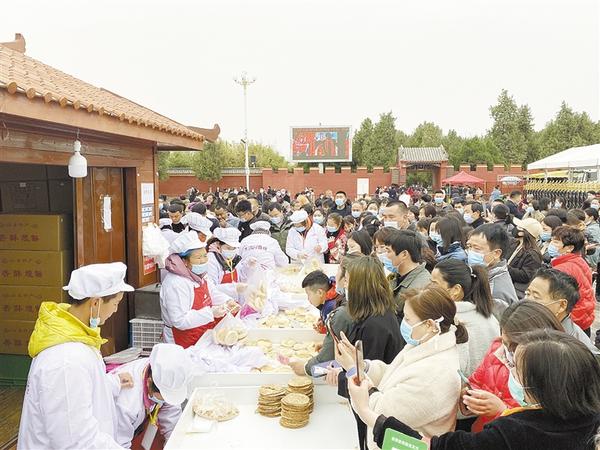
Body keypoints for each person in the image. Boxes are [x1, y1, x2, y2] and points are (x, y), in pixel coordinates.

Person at [351, 329, 600, 450]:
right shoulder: (589, 420)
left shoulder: (513, 432)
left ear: (541, 385)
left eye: (514, 368)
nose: (509, 371)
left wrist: (367, 412)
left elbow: (425, 448)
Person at [18, 262, 135, 450]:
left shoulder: (76, 337)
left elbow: (80, 392)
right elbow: (76, 440)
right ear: (95, 303)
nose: (115, 310)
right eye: (115, 304)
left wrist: (112, 383)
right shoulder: (66, 360)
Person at [336, 285, 469, 447]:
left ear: (429, 325)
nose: (403, 323)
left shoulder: (434, 374)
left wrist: (353, 370)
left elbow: (380, 413)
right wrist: (363, 366)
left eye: (407, 319)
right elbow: (393, 374)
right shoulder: (423, 343)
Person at [327, 256, 403, 450]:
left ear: (360, 287)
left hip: (377, 406)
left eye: (348, 281)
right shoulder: (375, 314)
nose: (344, 285)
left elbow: (366, 377)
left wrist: (343, 374)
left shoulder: (375, 326)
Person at [463, 301, 564, 432]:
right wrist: (469, 394)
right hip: (484, 431)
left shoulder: (552, 372)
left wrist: (503, 411)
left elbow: (543, 426)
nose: (509, 352)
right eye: (505, 342)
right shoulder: (497, 350)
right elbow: (476, 380)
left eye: (515, 346)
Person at [160, 231, 239, 348]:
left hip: (202, 334)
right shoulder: (176, 283)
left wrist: (227, 301)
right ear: (184, 261)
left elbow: (212, 292)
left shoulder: (200, 275)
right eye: (198, 258)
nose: (203, 261)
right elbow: (180, 321)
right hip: (182, 339)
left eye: (205, 256)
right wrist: (211, 313)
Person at [113, 344, 191, 449]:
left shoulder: (161, 373)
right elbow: (118, 445)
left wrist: (174, 444)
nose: (166, 401)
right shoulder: (127, 404)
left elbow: (172, 417)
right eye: (164, 397)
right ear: (149, 383)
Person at [431, 259, 499, 376]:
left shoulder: (447, 320)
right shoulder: (490, 317)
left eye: (434, 284)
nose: (429, 288)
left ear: (455, 290)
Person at [524, 268, 598, 354]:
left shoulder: (572, 349)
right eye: (527, 294)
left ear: (562, 305)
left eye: (536, 297)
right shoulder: (534, 324)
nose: (527, 301)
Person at [548, 225, 595, 335]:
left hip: (570, 321)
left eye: (556, 242)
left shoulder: (562, 269)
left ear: (569, 248)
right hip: (583, 317)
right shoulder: (580, 261)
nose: (552, 245)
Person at [467, 224, 518, 319]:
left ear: (496, 253)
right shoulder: (481, 274)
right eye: (469, 246)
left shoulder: (496, 293)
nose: (470, 252)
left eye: (476, 249)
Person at [383, 229, 431, 316]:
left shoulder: (421, 287)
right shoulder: (396, 274)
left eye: (388, 251)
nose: (385, 255)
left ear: (404, 254)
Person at [507, 217, 543, 299]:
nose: (516, 229)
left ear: (523, 233)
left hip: (514, 291)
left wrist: (505, 268)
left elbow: (525, 276)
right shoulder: (516, 243)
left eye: (519, 227)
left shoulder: (532, 254)